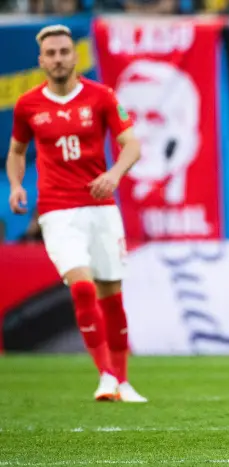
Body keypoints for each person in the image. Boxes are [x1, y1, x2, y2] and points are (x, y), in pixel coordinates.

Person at [6, 24, 147, 402]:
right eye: (50, 53)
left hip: (100, 207)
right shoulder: (28, 105)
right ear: (41, 60)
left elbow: (131, 144)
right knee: (82, 286)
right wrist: (18, 185)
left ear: (75, 55)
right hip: (57, 210)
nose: (57, 59)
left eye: (64, 51)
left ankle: (123, 380)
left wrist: (114, 175)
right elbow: (17, 151)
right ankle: (104, 376)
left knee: (111, 296)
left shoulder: (101, 97)